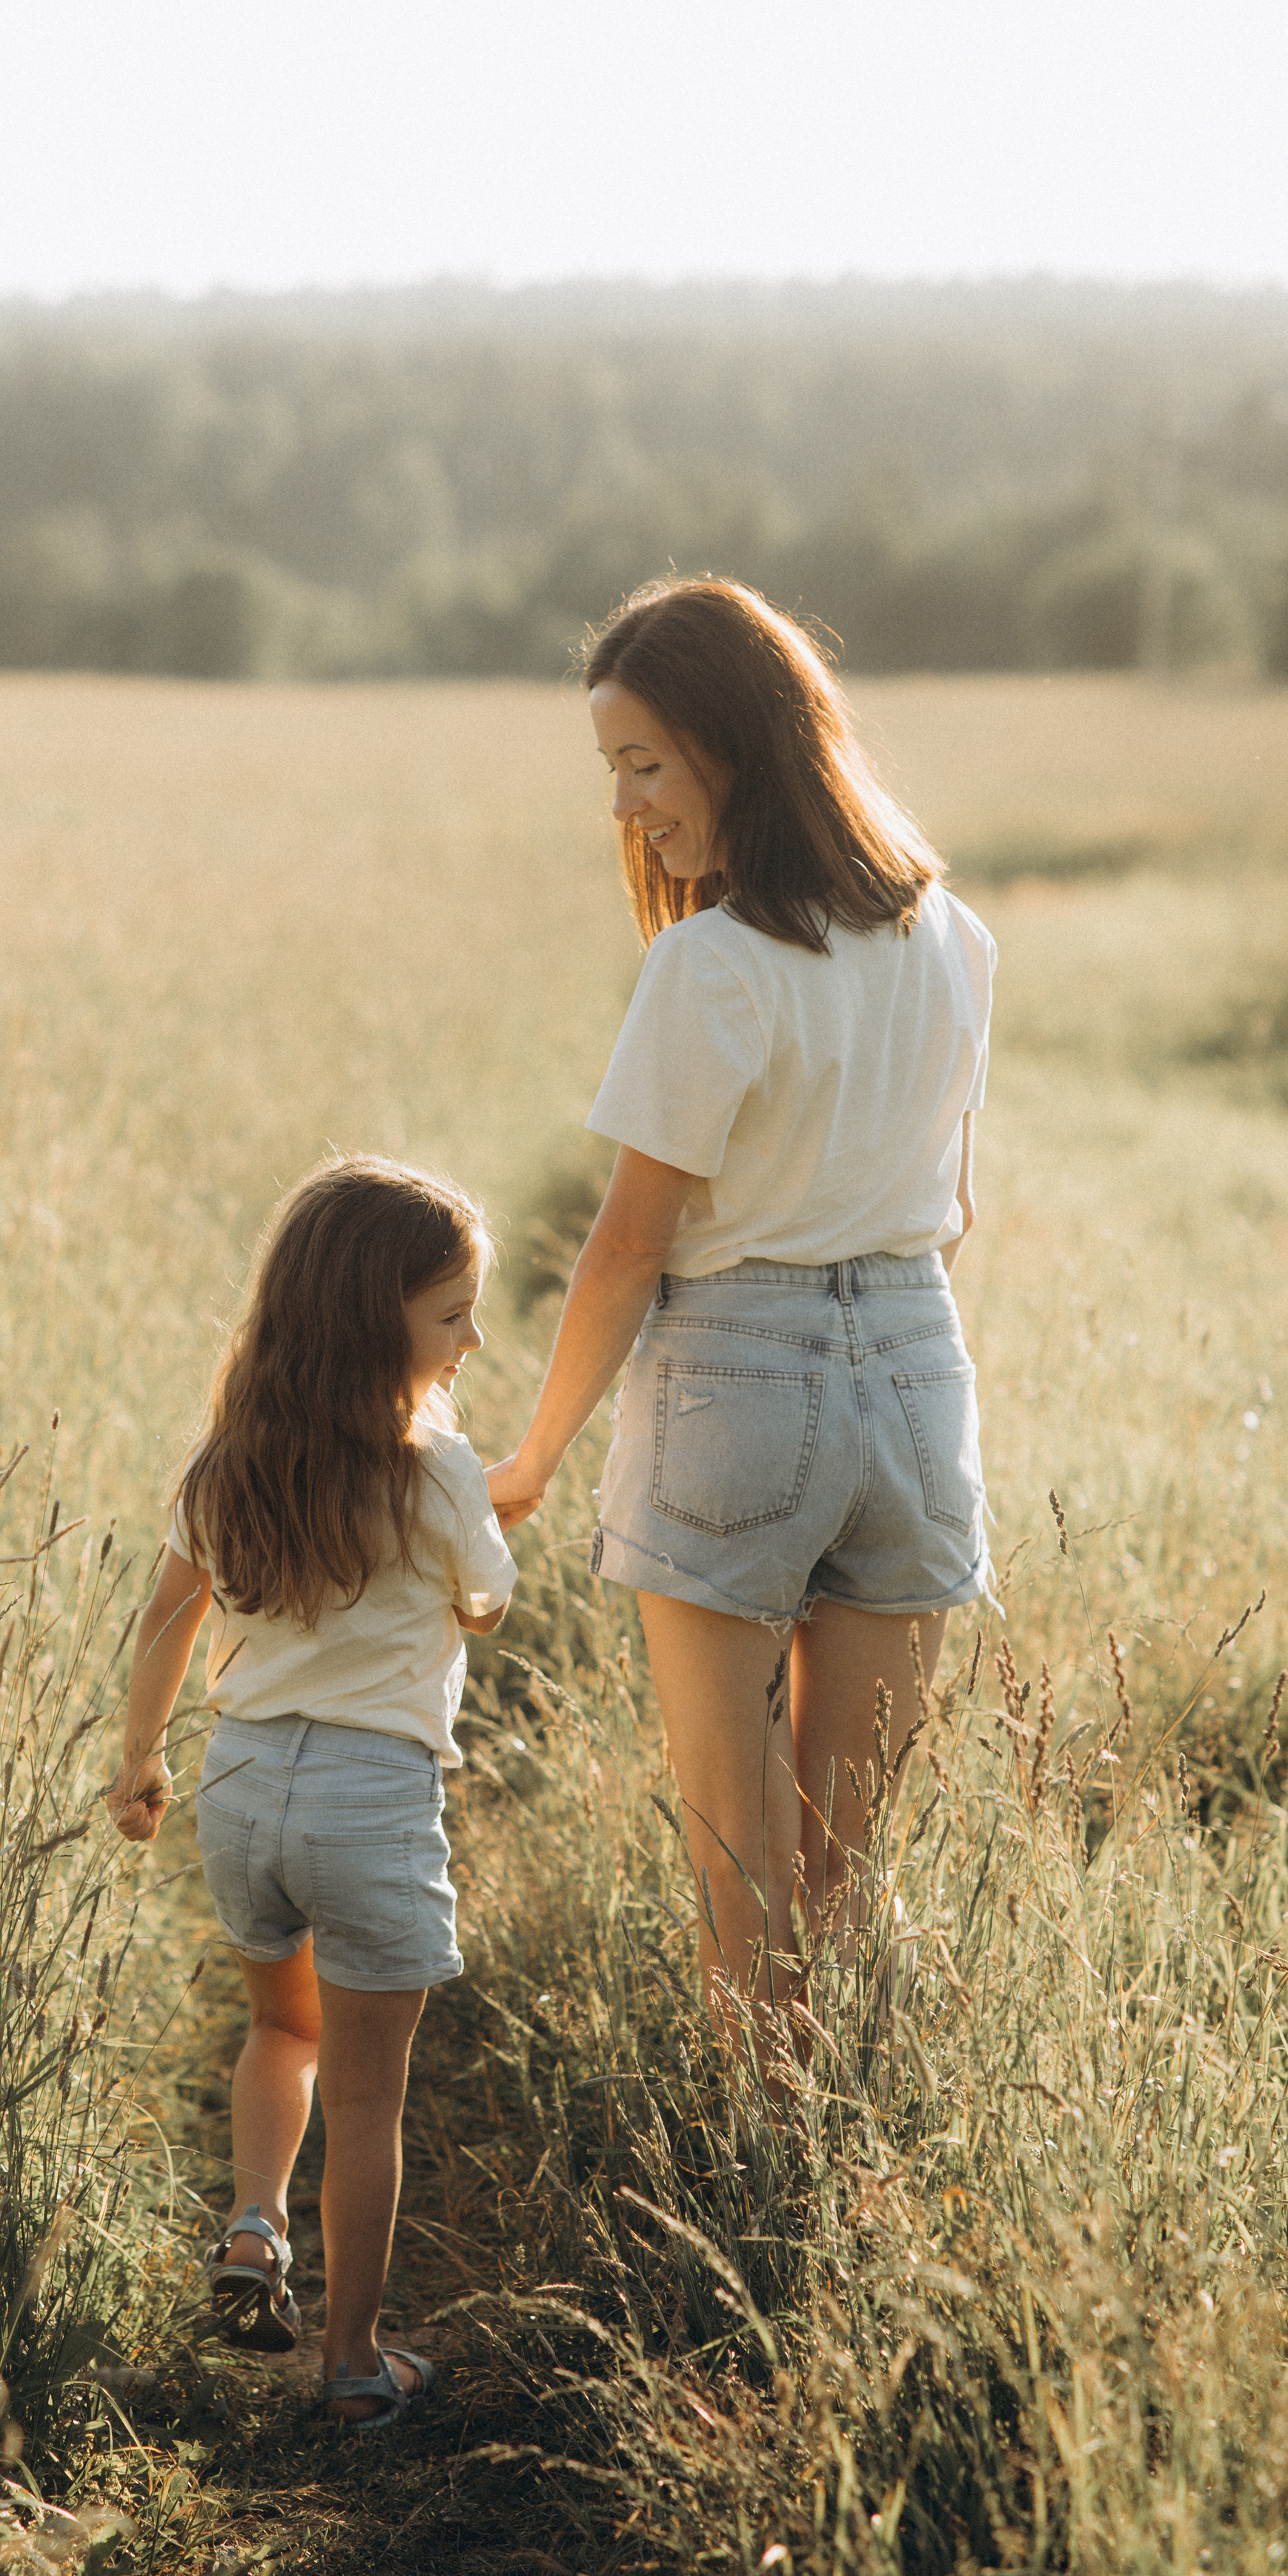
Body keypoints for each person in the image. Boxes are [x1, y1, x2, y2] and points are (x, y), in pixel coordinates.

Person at [485, 577, 995, 2040]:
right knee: (838, 1882)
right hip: (919, 1381)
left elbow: (627, 1249)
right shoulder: (955, 937)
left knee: (743, 1889)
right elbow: (952, 1210)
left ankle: (750, 2161)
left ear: (732, 740)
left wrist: (532, 1458)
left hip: (734, 1383)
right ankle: (831, 2154)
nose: (625, 806)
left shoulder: (708, 962)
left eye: (643, 763)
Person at [106, 1156, 515, 2429]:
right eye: (453, 1316)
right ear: (376, 1323)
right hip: (369, 1798)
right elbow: (487, 1604)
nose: (472, 1341)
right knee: (371, 2097)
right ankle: (351, 2366)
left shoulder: (226, 1463)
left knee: (282, 2033)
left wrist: (141, 1758)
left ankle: (252, 2224)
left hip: (241, 1788)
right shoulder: (437, 1472)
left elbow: (164, 1620)